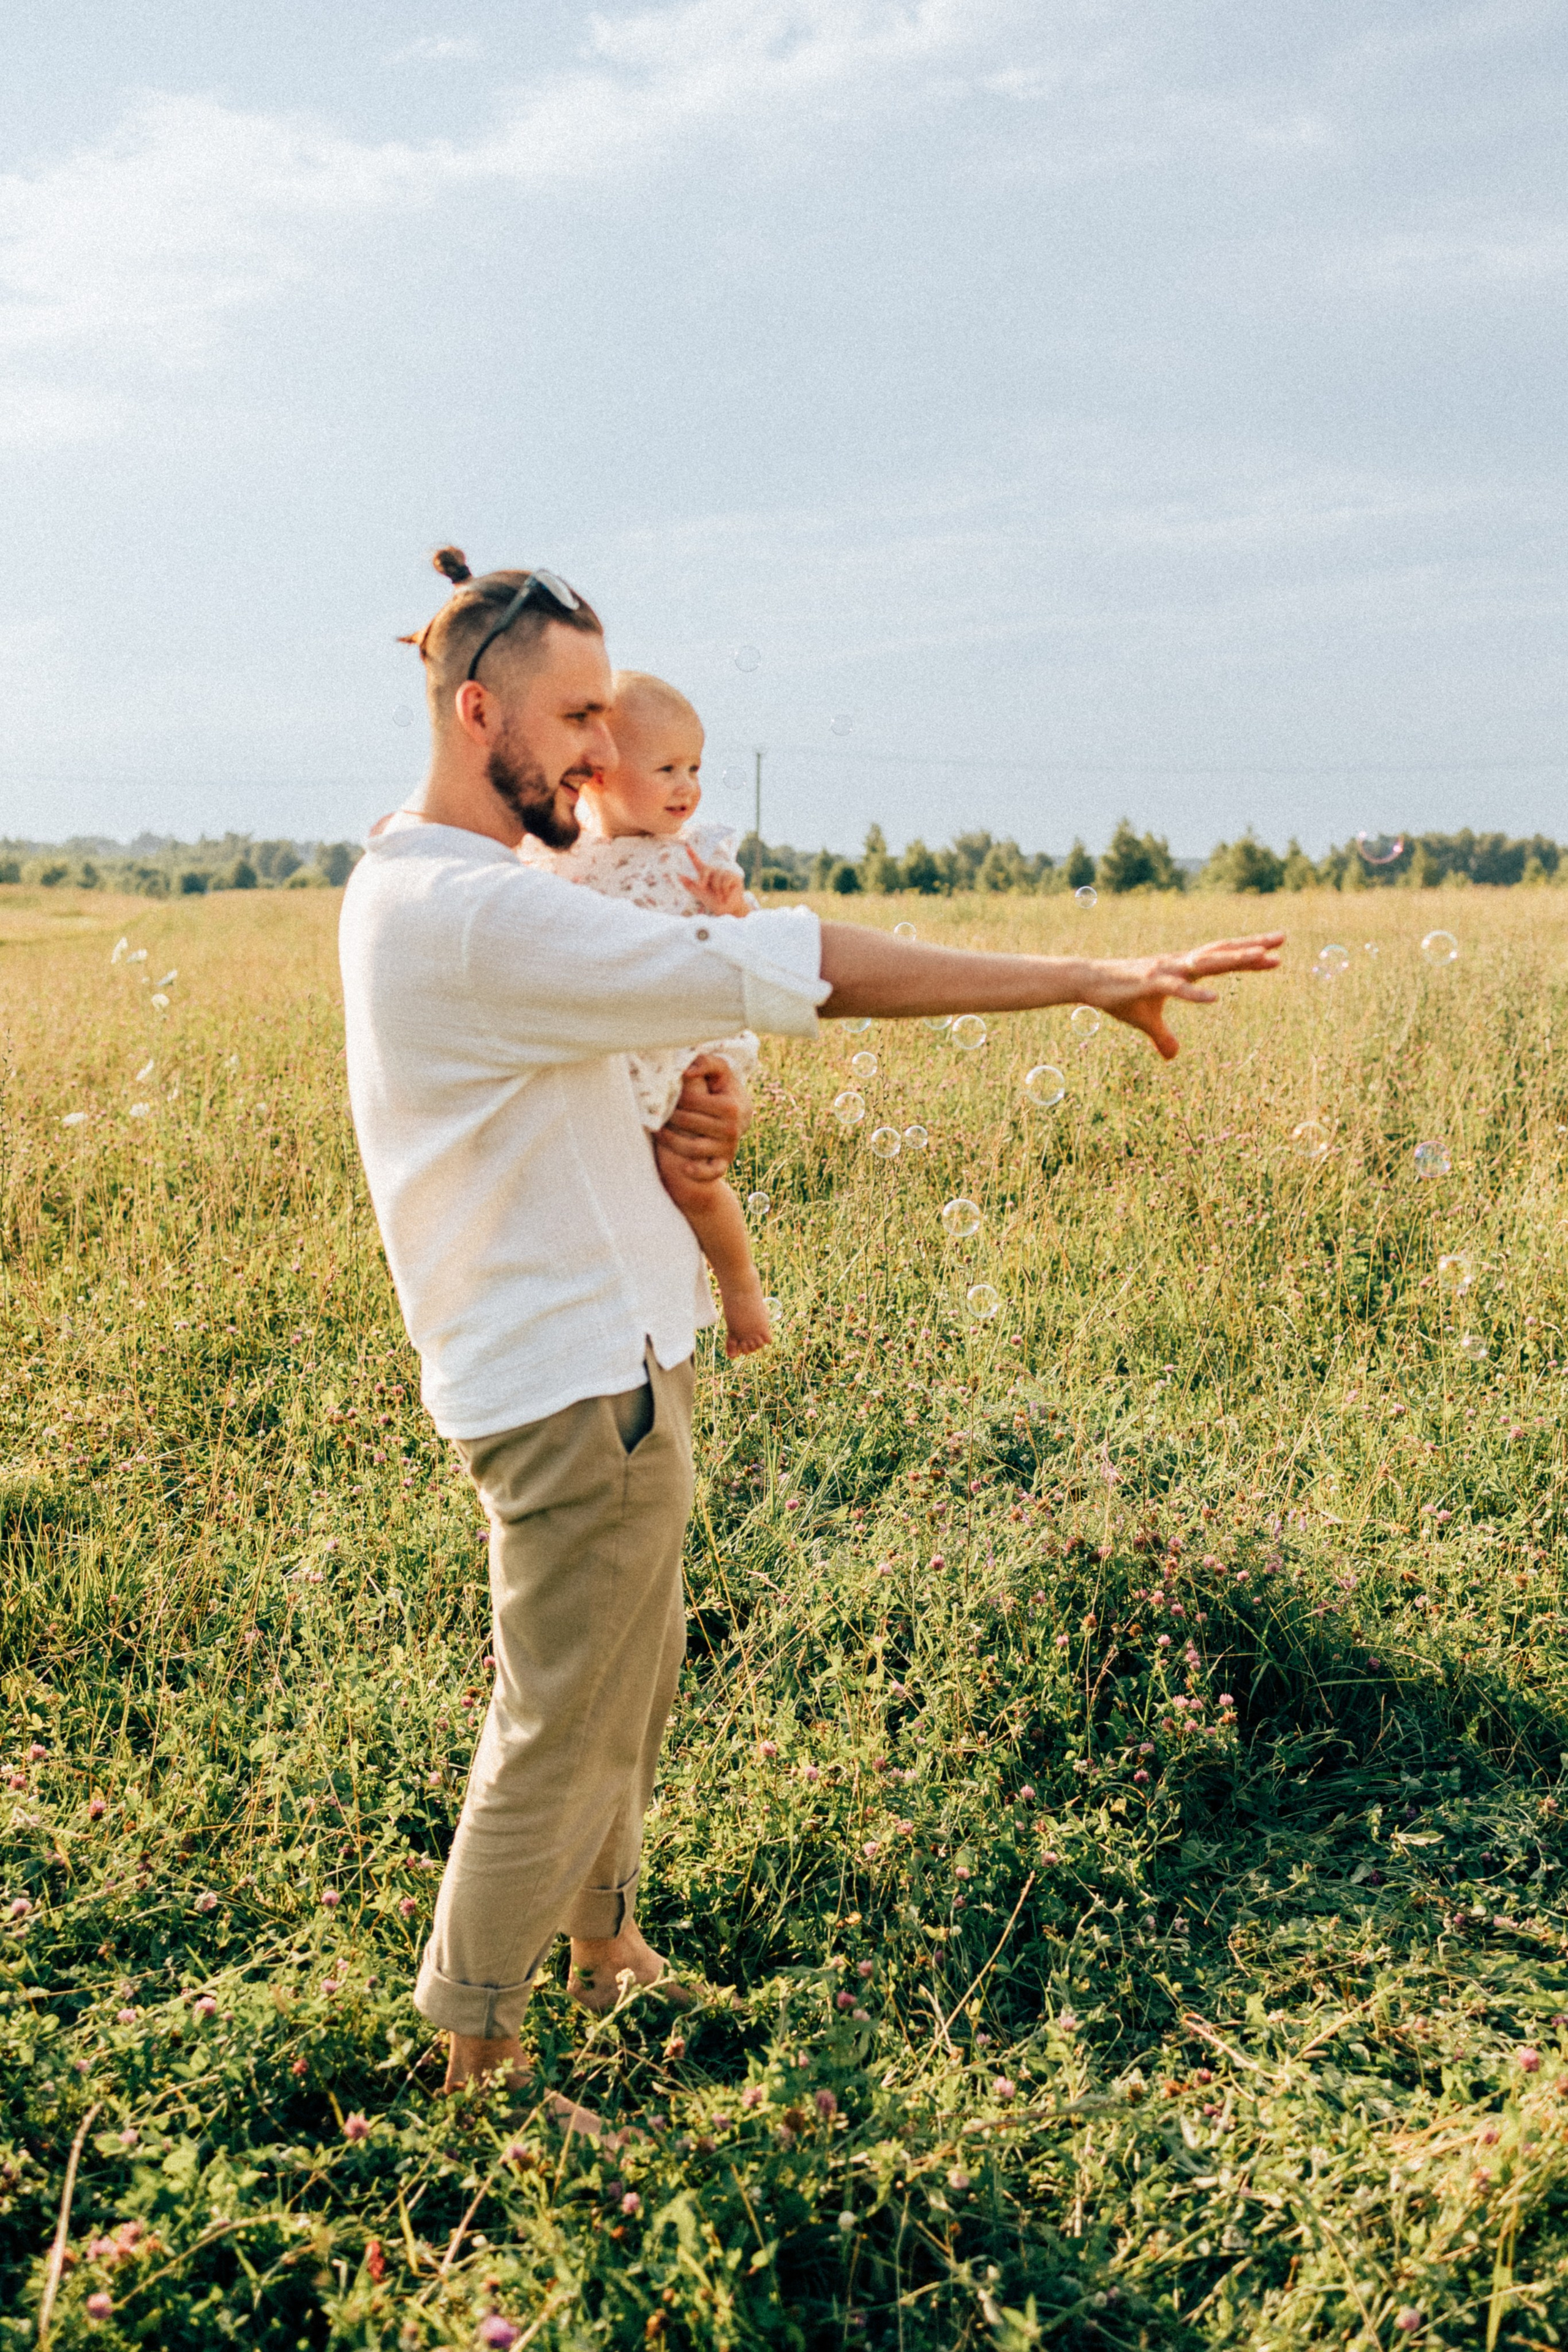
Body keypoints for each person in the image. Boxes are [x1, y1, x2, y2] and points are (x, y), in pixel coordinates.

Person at [338, 546, 1283, 2112]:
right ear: (475, 705)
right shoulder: (459, 912)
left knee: (623, 1692)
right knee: (558, 1714)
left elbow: (617, 1076)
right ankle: (482, 2050)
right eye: (579, 715)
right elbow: (798, 966)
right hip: (565, 1376)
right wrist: (1085, 975)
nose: (602, 747)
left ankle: (606, 1945)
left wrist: (693, 1134)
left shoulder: (491, 888)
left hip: (618, 1351)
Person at [519, 668, 771, 1357]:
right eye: (666, 768)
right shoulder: (559, 856)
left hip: (680, 1052)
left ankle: (740, 1285)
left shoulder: (697, 858)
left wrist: (734, 909)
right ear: (598, 774)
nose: (687, 785)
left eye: (694, 767)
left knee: (691, 1175)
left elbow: (751, 948)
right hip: (606, 1059)